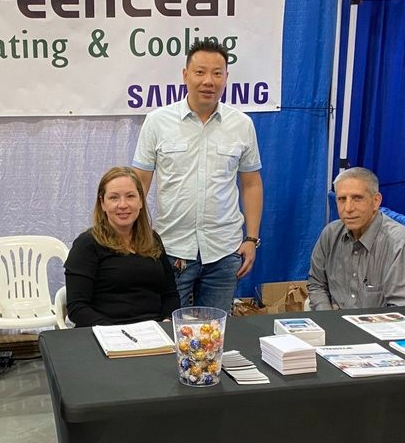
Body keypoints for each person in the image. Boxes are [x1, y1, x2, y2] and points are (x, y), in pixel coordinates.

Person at [132, 39, 263, 313]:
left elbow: (251, 184)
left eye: (217, 73)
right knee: (170, 332)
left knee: (215, 334)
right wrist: (137, 236)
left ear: (226, 77)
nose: (209, 81)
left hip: (224, 251)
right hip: (171, 248)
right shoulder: (158, 122)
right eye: (200, 72)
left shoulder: (242, 125)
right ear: (185, 75)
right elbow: (139, 183)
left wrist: (251, 239)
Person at [64, 167, 180, 327]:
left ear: (141, 201)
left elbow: (170, 294)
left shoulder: (153, 239)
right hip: (106, 335)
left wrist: (167, 323)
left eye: (130, 196)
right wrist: (117, 333)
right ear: (102, 203)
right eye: (114, 198)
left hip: (154, 333)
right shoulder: (86, 244)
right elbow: (77, 308)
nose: (123, 205)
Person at [307, 167, 405, 310]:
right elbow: (317, 284)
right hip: (334, 326)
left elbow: (404, 311)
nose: (348, 208)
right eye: (342, 199)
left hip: (380, 329)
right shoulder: (330, 234)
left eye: (357, 198)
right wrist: (328, 318)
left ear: (376, 201)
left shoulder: (400, 243)